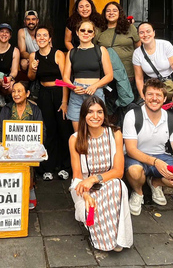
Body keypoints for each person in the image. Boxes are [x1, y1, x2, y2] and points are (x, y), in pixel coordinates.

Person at [68, 96, 132, 252]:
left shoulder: (115, 133)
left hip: (108, 182)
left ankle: (117, 238)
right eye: (90, 112)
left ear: (105, 115)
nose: (95, 116)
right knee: (92, 201)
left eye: (99, 112)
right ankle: (103, 238)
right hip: (83, 187)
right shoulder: (75, 139)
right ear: (83, 115)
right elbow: (77, 176)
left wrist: (94, 178)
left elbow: (119, 171)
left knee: (117, 185)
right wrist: (85, 194)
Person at [123, 80, 173, 215]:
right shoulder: (132, 116)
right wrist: (155, 162)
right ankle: (138, 192)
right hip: (137, 157)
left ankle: (155, 182)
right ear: (143, 96)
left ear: (165, 99)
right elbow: (131, 149)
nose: (154, 98)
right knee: (134, 171)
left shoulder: (172, 120)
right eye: (150, 94)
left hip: (161, 156)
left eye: (158, 95)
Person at [28, 25, 71, 181]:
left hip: (59, 92)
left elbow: (65, 80)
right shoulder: (33, 55)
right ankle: (48, 167)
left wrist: (65, 101)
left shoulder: (58, 54)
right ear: (35, 38)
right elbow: (31, 78)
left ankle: (65, 167)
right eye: (38, 35)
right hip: (44, 94)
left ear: (50, 38)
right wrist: (32, 69)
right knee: (48, 130)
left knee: (63, 129)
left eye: (44, 35)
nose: (41, 38)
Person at [0, 81, 45, 209]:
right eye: (14, 91)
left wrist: (35, 147)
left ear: (27, 93)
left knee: (28, 165)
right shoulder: (7, 109)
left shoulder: (35, 110)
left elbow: (42, 130)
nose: (16, 94)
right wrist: (5, 145)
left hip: (28, 151)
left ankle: (30, 188)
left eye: (19, 91)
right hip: (10, 150)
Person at [62, 19, 113, 130]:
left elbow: (109, 75)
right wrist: (73, 88)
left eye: (89, 31)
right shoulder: (72, 52)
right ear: (77, 32)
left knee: (96, 130)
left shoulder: (101, 50)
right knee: (77, 133)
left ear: (94, 34)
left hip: (95, 91)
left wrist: (95, 86)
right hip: (77, 93)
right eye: (83, 30)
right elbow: (65, 77)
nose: (86, 33)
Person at [133, 22, 173, 108]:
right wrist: (143, 97)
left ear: (154, 33)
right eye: (141, 32)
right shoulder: (137, 53)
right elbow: (139, 78)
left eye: (148, 31)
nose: (145, 35)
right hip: (151, 87)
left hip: (169, 87)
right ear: (138, 35)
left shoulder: (165, 45)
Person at [96, 2, 140, 94]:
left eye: (114, 10)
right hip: (106, 75)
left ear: (119, 13)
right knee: (110, 104)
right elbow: (94, 50)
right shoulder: (98, 30)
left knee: (127, 102)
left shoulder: (130, 28)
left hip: (128, 74)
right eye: (108, 11)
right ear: (104, 14)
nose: (111, 13)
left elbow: (139, 49)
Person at [0, 22, 20, 115]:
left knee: (12, 86)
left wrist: (9, 78)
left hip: (6, 78)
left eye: (7, 32)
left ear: (10, 36)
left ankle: (13, 110)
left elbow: (14, 71)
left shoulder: (15, 50)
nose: (4, 34)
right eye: (2, 31)